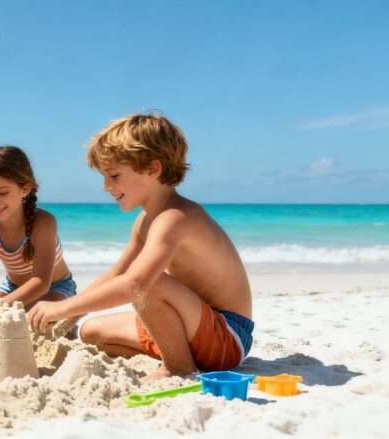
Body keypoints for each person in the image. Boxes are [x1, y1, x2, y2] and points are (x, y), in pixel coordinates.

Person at [27, 112, 254, 380]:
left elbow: (134, 285)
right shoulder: (145, 221)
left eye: (113, 175)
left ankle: (179, 366)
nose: (106, 186)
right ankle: (178, 352)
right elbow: (116, 275)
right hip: (191, 325)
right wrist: (73, 313)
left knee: (149, 283)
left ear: (153, 169)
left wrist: (61, 307)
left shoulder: (175, 218)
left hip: (227, 336)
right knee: (91, 333)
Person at [0, 146, 78, 314]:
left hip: (56, 288)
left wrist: (2, 306)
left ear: (25, 189)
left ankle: (71, 318)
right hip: (12, 288)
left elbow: (41, 282)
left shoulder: (43, 223)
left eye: (2, 192)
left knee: (29, 318)